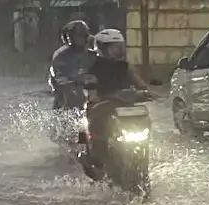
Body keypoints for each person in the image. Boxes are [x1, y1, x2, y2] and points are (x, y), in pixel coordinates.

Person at [83, 28, 148, 169]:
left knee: (144, 117)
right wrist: (97, 96)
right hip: (103, 105)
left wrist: (146, 92)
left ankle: (143, 153)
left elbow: (140, 84)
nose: (118, 51)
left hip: (124, 107)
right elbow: (92, 92)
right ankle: (96, 157)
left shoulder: (125, 66)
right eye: (114, 48)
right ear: (102, 48)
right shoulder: (94, 67)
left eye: (119, 47)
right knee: (95, 124)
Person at [49, 20, 96, 109]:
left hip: (88, 91)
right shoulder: (61, 55)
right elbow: (59, 77)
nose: (80, 39)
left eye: (83, 36)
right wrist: (75, 79)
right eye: (77, 36)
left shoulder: (92, 54)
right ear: (68, 37)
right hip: (67, 94)